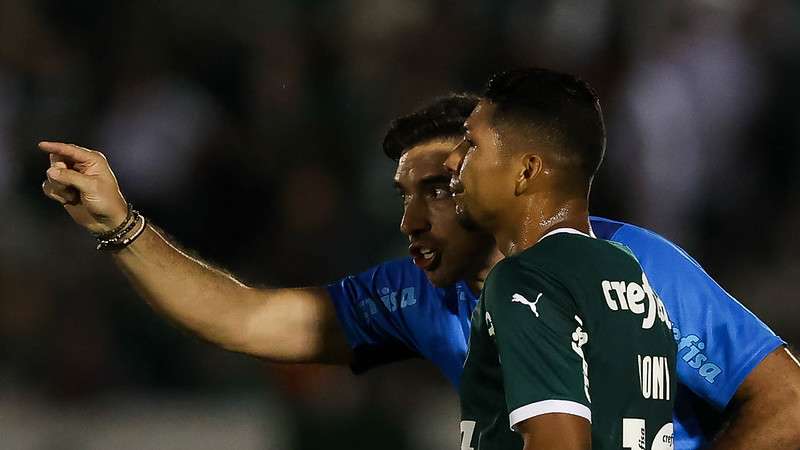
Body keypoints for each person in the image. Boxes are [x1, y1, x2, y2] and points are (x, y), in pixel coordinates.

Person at [40, 94, 799, 449]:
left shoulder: (641, 266)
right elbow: (245, 319)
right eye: (405, 194)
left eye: (439, 187)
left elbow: (787, 404)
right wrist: (122, 226)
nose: (412, 218)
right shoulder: (415, 294)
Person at [445, 68, 677, 450]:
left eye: (471, 144)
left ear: (526, 170)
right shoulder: (628, 274)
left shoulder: (526, 280)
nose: (454, 160)